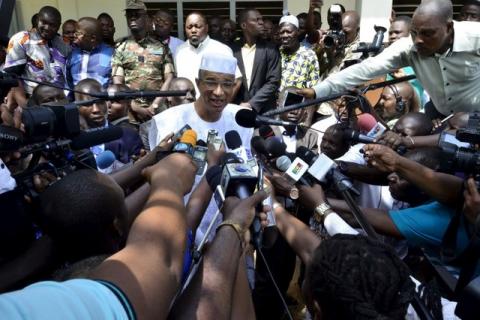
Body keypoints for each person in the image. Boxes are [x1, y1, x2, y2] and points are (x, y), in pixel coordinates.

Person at [0, 153, 198, 320]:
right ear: (117, 226)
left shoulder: (29, 283)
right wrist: (169, 180)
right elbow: (162, 259)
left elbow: (88, 204)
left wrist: (149, 166)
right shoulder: (82, 295)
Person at [300, 0, 480, 117]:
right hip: (439, 114)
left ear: (448, 28)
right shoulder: (409, 47)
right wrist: (318, 90)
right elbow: (366, 68)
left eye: (428, 33)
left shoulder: (476, 38)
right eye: (415, 32)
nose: (418, 40)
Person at [112, 0, 175, 124]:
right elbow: (118, 83)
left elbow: (169, 78)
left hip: (159, 112)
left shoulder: (161, 47)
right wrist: (137, 108)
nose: (133, 18)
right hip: (131, 113)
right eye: (129, 15)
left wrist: (155, 105)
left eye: (137, 14)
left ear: (146, 18)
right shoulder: (121, 47)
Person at [4, 6, 71, 96]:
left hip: (61, 98)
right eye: (44, 22)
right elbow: (13, 76)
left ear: (59, 25)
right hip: (33, 99)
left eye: (52, 25)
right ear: (37, 20)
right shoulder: (22, 39)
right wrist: (23, 103)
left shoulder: (63, 43)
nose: (47, 28)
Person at [75, 79, 143, 165]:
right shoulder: (72, 142)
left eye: (100, 102)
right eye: (88, 104)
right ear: (77, 106)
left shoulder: (127, 135)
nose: (96, 109)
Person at [174, 12, 241, 99]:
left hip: (214, 108)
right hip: (185, 107)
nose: (193, 30)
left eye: (197, 26)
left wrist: (223, 104)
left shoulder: (222, 49)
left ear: (206, 28)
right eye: (189, 27)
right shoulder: (180, 51)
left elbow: (237, 80)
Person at [232, 8, 281, 114]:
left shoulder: (271, 49)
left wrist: (251, 104)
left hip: (264, 112)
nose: (261, 22)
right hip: (237, 110)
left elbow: (273, 81)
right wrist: (237, 104)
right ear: (244, 25)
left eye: (261, 19)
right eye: (256, 20)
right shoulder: (232, 50)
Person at [279, 15, 320, 125]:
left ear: (297, 32)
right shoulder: (276, 53)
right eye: (282, 32)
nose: (284, 35)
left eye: (288, 32)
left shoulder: (309, 54)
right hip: (277, 114)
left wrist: (306, 123)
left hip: (299, 113)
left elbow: (313, 91)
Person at [66, 17, 114, 90]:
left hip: (102, 100)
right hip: (79, 100)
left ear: (92, 38)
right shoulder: (72, 55)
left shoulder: (110, 54)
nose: (74, 36)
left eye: (78, 33)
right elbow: (69, 83)